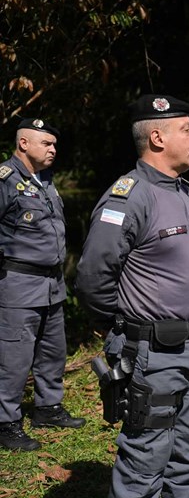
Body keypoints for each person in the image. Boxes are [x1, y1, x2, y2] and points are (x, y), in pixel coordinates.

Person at [75, 94, 189, 498]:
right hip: (152, 354)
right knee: (145, 454)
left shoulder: (184, 189)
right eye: (186, 129)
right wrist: (119, 326)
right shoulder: (129, 196)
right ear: (157, 137)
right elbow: (92, 277)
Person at [0, 118, 85, 452]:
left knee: (52, 350)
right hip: (18, 283)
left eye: (54, 144)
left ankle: (48, 408)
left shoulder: (45, 180)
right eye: (46, 143)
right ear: (24, 143)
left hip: (52, 282)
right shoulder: (6, 180)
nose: (53, 149)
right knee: (13, 357)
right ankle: (6, 422)